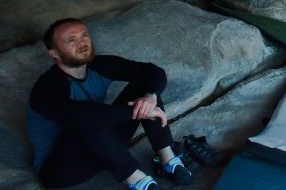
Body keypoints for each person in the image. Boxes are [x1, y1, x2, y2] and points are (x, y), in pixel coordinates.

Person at [27, 18, 192, 189]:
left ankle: (168, 160)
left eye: (84, 35)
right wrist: (142, 112)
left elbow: (152, 72)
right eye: (72, 40)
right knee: (86, 118)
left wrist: (151, 97)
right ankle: (138, 181)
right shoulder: (46, 88)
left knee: (145, 91)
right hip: (61, 169)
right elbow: (81, 116)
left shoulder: (99, 65)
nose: (82, 42)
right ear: (54, 53)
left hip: (102, 147)